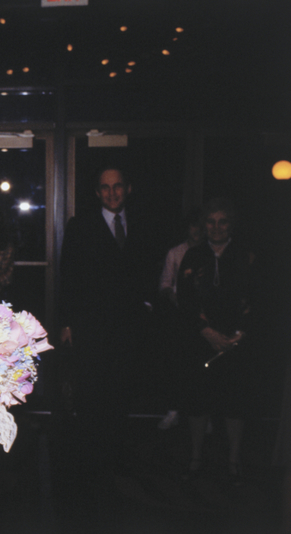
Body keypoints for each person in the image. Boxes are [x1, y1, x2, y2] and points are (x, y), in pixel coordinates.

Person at [58, 166, 157, 528]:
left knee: (120, 394)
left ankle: (114, 457)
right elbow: (68, 274)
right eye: (105, 188)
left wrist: (146, 305)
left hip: (128, 330)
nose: (112, 194)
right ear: (97, 193)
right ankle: (90, 465)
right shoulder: (80, 226)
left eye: (117, 187)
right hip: (91, 328)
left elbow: (148, 268)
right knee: (91, 396)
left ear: (127, 189)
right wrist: (67, 322)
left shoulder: (140, 224)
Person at [176, 197, 254, 482]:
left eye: (222, 221)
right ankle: (196, 456)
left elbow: (257, 297)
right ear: (204, 224)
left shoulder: (246, 255)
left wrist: (239, 334)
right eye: (211, 221)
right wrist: (206, 331)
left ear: (230, 224)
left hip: (237, 342)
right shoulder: (193, 256)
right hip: (200, 340)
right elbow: (184, 299)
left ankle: (233, 460)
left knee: (235, 402)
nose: (216, 227)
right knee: (198, 400)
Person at [156, 208, 205, 430]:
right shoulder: (175, 253)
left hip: (206, 317)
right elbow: (165, 284)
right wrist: (176, 299)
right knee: (177, 364)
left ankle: (205, 416)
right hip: (179, 317)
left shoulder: (210, 253)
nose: (197, 230)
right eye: (193, 225)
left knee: (202, 366)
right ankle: (173, 410)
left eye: (201, 225)